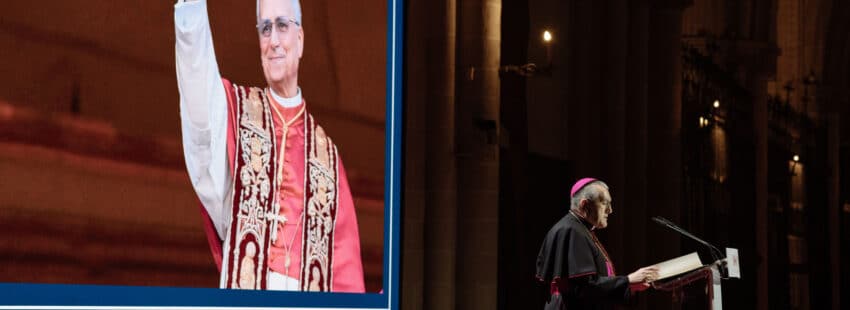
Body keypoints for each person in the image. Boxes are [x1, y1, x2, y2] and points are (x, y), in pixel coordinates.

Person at [174, 0, 365, 292]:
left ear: (299, 40)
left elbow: (347, 279)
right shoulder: (237, 112)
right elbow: (199, 95)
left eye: (282, 26)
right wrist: (191, 10)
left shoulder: (327, 156)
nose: (273, 40)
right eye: (265, 29)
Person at [535, 178, 659, 309]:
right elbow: (583, 288)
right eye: (605, 203)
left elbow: (593, 290)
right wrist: (627, 280)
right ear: (585, 205)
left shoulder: (582, 230)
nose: (610, 210)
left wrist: (630, 287)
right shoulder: (571, 231)